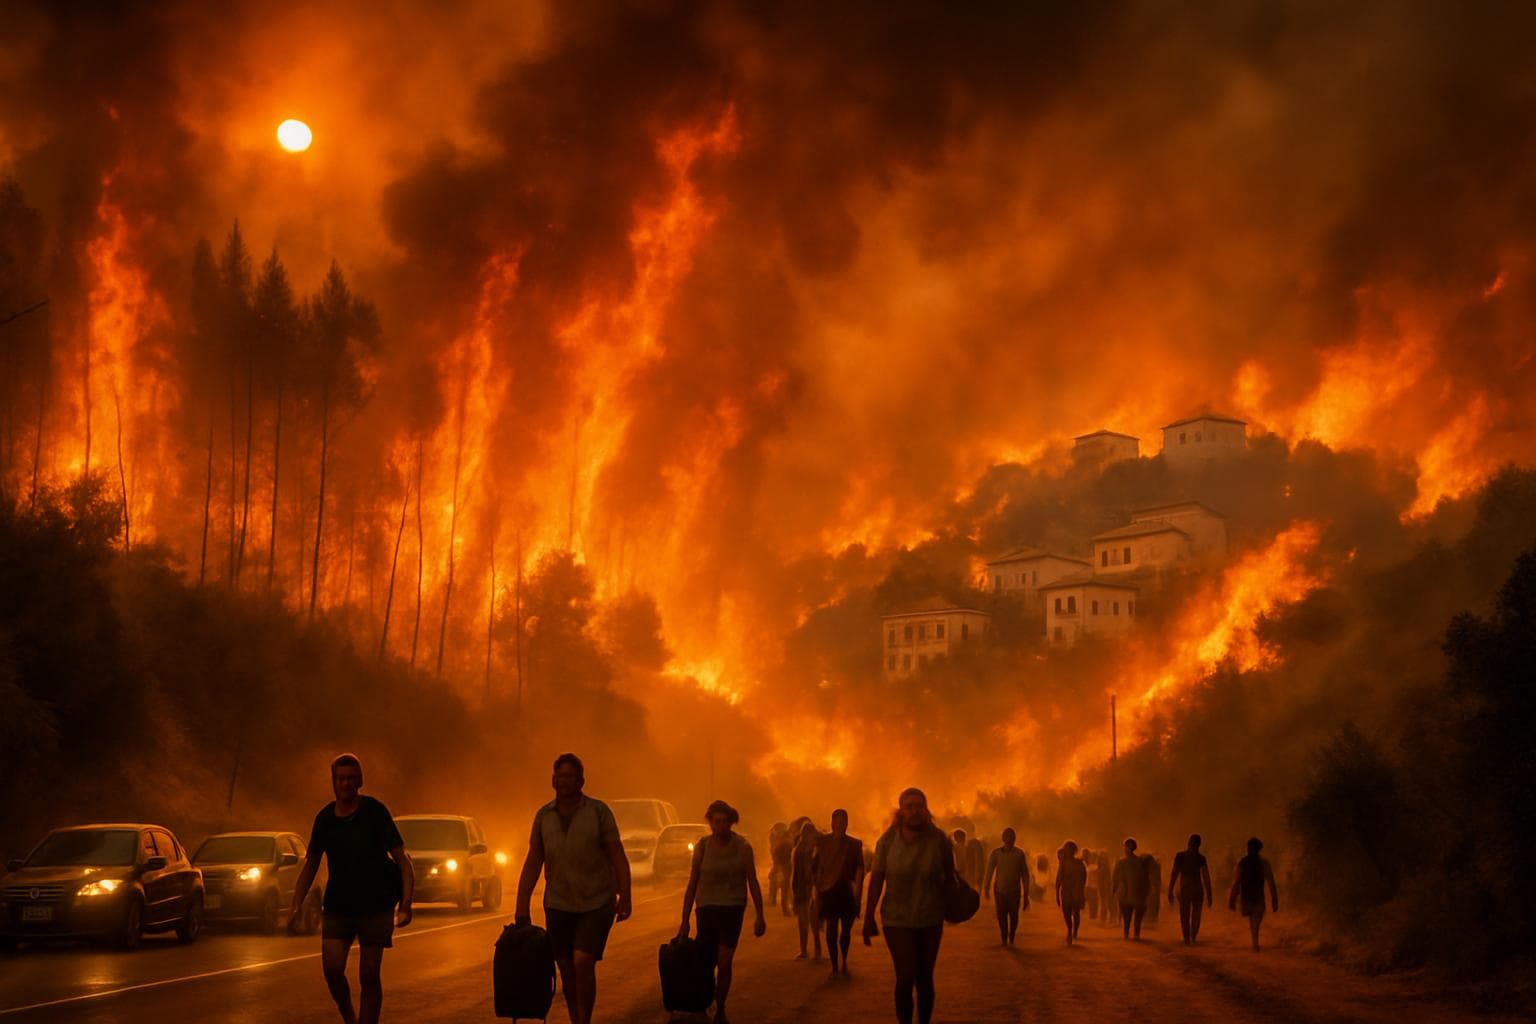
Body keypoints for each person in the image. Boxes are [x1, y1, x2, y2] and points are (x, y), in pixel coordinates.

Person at [290, 753, 414, 1024]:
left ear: (360, 781)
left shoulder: (375, 812)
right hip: (338, 906)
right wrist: (296, 903)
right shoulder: (324, 819)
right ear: (333, 782)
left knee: (369, 976)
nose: (346, 784)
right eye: (340, 778)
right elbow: (311, 863)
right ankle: (350, 1018)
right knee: (332, 971)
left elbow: (403, 860)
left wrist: (406, 904)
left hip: (375, 906)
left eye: (351, 778)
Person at [514, 753, 633, 1024]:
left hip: (596, 901)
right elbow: (534, 861)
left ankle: (584, 1021)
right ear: (552, 780)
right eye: (559, 776)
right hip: (558, 902)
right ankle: (575, 1018)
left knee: (582, 961)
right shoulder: (544, 816)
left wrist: (625, 893)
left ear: (581, 780)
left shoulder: (598, 812)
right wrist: (521, 905)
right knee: (566, 968)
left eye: (569, 776)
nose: (563, 781)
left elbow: (617, 854)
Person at [864, 788, 956, 1024]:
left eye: (919, 806)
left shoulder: (939, 840)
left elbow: (949, 877)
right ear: (901, 811)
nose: (915, 811)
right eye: (909, 806)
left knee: (925, 978)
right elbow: (877, 878)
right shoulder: (887, 841)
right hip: (897, 920)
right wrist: (868, 916)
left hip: (929, 919)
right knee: (905, 977)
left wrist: (954, 905)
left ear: (926, 810)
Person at [678, 800, 767, 1024]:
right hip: (706, 908)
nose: (720, 826)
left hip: (732, 908)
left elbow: (753, 881)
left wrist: (760, 915)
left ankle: (721, 1006)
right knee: (706, 962)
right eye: (715, 822)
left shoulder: (743, 847)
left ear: (731, 822)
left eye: (724, 822)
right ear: (710, 823)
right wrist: (684, 921)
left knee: (725, 961)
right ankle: (703, 1003)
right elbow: (692, 884)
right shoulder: (702, 847)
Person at [812, 809, 865, 975]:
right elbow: (815, 867)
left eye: (843, 822)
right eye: (837, 822)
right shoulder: (822, 842)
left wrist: (858, 893)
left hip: (847, 892)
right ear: (832, 823)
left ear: (847, 824)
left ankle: (843, 959)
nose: (840, 825)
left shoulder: (855, 844)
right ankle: (835, 964)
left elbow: (860, 868)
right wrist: (817, 891)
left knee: (846, 930)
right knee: (831, 928)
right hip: (828, 891)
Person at [1228, 836, 1279, 951]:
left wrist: (1232, 898)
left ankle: (1255, 942)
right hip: (1253, 896)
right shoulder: (1261, 863)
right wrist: (1274, 899)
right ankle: (1255, 942)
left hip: (1249, 896)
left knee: (1254, 919)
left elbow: (1237, 882)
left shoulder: (1245, 862)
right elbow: (1271, 882)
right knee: (1255, 918)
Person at [982, 828, 1030, 946]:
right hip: (999, 891)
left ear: (1014, 839)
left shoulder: (1019, 854)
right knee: (1001, 916)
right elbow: (989, 871)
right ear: (1003, 838)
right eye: (1007, 836)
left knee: (1014, 917)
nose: (1009, 839)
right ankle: (1004, 937)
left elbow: (1025, 874)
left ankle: (1012, 933)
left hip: (1015, 891)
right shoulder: (996, 853)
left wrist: (1026, 894)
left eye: (1011, 836)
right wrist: (986, 887)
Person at [1168, 833, 1214, 945]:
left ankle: (1187, 938)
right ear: (1199, 845)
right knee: (1196, 915)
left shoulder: (1180, 856)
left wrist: (1170, 889)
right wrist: (1209, 894)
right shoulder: (1201, 858)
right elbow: (1206, 877)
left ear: (1188, 843)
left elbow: (1174, 873)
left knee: (1185, 914)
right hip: (1197, 889)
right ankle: (1193, 937)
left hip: (1185, 888)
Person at [790, 820, 822, 959]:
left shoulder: (817, 850)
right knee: (803, 922)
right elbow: (795, 874)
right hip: (802, 889)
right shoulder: (798, 851)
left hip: (814, 888)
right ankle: (804, 950)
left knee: (814, 921)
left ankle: (816, 949)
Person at [1111, 837, 1150, 940]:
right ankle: (1134, 935)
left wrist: (1114, 889)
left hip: (1127, 893)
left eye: (1126, 847)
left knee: (1127, 917)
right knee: (1135, 917)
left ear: (1128, 848)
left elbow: (1115, 877)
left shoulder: (1122, 862)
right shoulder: (1140, 862)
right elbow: (1146, 878)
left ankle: (1128, 935)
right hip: (1135, 893)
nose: (1125, 849)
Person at [1055, 841, 1088, 944]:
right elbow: (1084, 879)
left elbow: (1059, 879)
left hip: (1068, 892)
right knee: (1074, 913)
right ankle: (1073, 931)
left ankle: (1071, 930)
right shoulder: (1079, 863)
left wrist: (1057, 893)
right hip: (1075, 892)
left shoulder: (1064, 863)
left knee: (1068, 914)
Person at [767, 822, 791, 915]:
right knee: (784, 887)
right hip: (785, 867)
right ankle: (784, 907)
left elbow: (775, 855)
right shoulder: (787, 842)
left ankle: (777, 902)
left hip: (782, 867)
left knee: (782, 885)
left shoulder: (781, 843)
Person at [1095, 851, 1114, 927]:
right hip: (1102, 887)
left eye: (1104, 858)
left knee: (1106, 903)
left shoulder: (1106, 868)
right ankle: (1104, 919)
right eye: (1101, 858)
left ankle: (1107, 919)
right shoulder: (1101, 868)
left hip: (1106, 887)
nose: (1102, 861)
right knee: (1103, 903)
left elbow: (1108, 879)